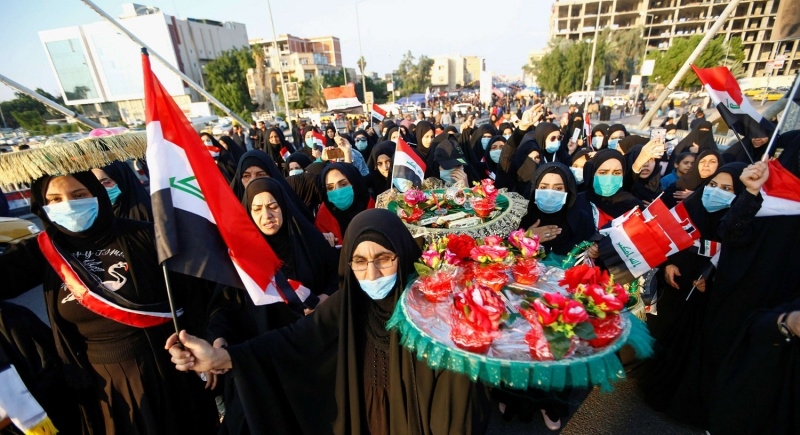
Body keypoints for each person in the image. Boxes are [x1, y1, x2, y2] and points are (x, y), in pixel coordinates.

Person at [167, 209, 490, 435]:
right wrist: (220, 357)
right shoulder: (346, 305)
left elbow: (458, 396)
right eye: (360, 261)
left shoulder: (431, 312)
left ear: (402, 256)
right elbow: (290, 342)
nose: (372, 273)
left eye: (383, 259)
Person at [0, 172, 217, 434]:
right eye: (55, 199)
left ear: (97, 194)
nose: (68, 205)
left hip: (167, 370)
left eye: (79, 195)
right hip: (100, 387)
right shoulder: (44, 251)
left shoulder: (145, 236)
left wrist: (205, 347)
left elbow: (196, 298)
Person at [636, 162, 747, 414]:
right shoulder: (688, 209)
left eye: (727, 189)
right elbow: (663, 241)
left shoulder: (742, 225)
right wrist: (668, 264)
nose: (716, 191)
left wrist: (714, 279)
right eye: (713, 184)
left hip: (709, 300)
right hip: (677, 290)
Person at [520, 162, 595, 257]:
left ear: (568, 191)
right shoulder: (519, 218)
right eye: (543, 187)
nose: (550, 193)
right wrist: (525, 239)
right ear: (534, 188)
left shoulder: (582, 221)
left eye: (558, 188)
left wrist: (593, 252)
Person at [229, 150, 315, 223]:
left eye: (261, 175)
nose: (253, 181)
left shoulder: (291, 214)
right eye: (246, 176)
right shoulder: (231, 216)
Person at [581, 148, 643, 229]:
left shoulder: (633, 206)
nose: (609, 179)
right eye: (603, 173)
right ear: (592, 173)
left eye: (617, 173)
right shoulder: (578, 204)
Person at [315, 163, 374, 247]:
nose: (337, 191)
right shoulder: (323, 216)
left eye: (343, 184)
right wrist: (323, 241)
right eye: (330, 188)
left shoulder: (373, 209)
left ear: (355, 183)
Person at [624, 140, 666, 205]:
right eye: (642, 160)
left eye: (651, 159)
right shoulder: (623, 187)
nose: (646, 164)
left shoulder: (658, 189)